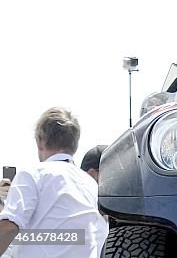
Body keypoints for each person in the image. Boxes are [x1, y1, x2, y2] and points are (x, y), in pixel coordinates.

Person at [0, 108, 103, 258]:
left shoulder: (32, 175)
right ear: (74, 144)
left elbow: (9, 227)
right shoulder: (91, 184)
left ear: (40, 141)